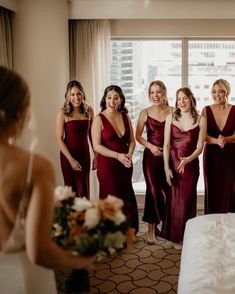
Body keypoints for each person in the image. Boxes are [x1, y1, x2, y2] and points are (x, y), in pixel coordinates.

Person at [0, 66, 94, 293]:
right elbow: (38, 251)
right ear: (22, 112)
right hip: (24, 275)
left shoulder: (89, 111)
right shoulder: (36, 166)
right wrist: (81, 263)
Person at [162, 87, 206, 250]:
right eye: (179, 99)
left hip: (190, 164)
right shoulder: (170, 117)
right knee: (174, 200)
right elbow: (166, 145)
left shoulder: (201, 119)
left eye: (184, 98)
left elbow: (200, 147)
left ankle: (186, 234)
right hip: (173, 163)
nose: (181, 102)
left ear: (191, 99)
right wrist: (166, 168)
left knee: (187, 200)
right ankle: (174, 236)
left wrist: (188, 159)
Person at [91, 85, 139, 233]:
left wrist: (129, 154)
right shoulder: (99, 119)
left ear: (121, 100)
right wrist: (117, 155)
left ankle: (125, 232)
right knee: (111, 198)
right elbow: (97, 146)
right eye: (109, 97)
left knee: (125, 196)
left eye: (116, 98)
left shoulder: (125, 117)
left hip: (125, 164)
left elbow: (132, 140)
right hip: (108, 166)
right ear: (105, 99)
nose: (112, 101)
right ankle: (110, 234)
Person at [135, 80, 173, 245]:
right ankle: (151, 230)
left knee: (167, 190)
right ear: (149, 95)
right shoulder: (144, 113)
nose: (155, 95)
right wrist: (151, 147)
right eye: (152, 92)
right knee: (153, 191)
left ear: (164, 92)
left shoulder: (173, 111)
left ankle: (165, 226)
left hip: (169, 156)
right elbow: (138, 136)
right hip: (151, 157)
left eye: (159, 92)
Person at [56, 80, 95, 198]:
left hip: (85, 156)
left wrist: (96, 155)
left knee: (84, 189)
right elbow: (59, 138)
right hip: (68, 157)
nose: (76, 97)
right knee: (71, 192)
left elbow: (92, 135)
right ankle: (72, 217)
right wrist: (71, 160)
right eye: (72, 94)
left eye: (78, 94)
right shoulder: (63, 112)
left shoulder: (89, 111)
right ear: (68, 96)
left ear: (83, 94)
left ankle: (84, 216)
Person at [202, 79, 235, 214]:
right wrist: (217, 141)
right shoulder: (206, 110)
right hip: (211, 156)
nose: (217, 95)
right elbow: (203, 136)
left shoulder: (234, 110)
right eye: (214, 91)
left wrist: (225, 139)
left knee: (231, 190)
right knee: (212, 189)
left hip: (231, 156)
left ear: (227, 92)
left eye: (221, 91)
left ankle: (231, 225)